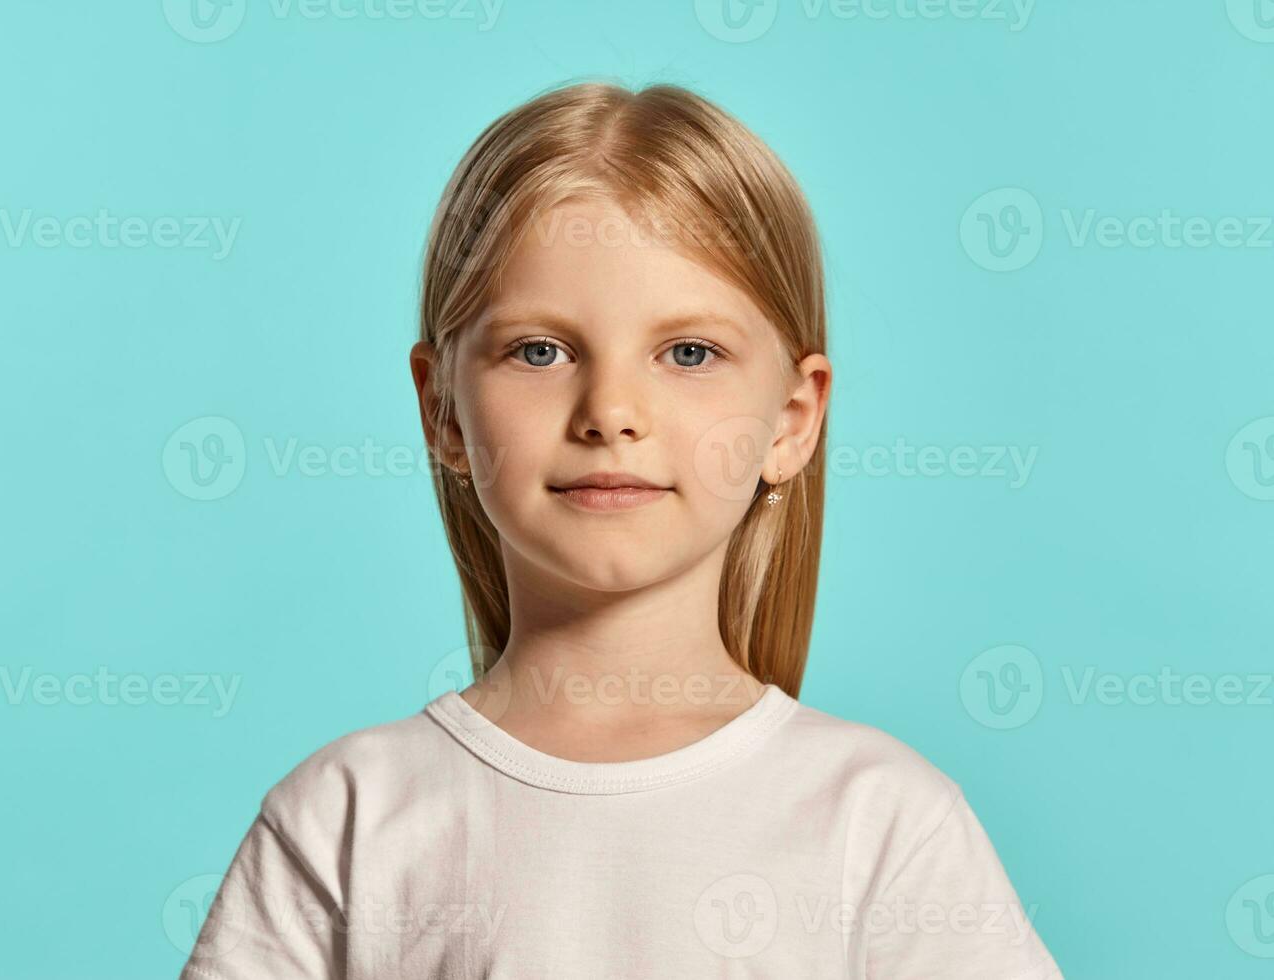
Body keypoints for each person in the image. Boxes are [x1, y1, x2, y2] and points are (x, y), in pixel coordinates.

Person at [178, 80, 1063, 979]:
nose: (610, 412)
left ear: (793, 419)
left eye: (689, 353)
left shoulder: (882, 823)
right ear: (441, 408)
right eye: (540, 351)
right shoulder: (346, 820)